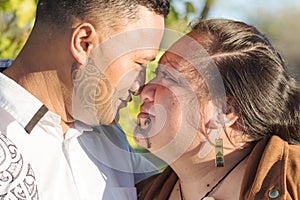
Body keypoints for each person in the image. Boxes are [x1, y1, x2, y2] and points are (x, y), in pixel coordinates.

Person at [0, 0, 169, 199]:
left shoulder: (110, 137)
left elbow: (199, 184)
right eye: (139, 63)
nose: (140, 86)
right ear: (83, 43)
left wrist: (216, 142)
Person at [135, 19, 300, 200]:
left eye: (168, 76)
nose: (144, 91)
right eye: (156, 74)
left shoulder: (293, 181)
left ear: (226, 110)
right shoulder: (139, 194)